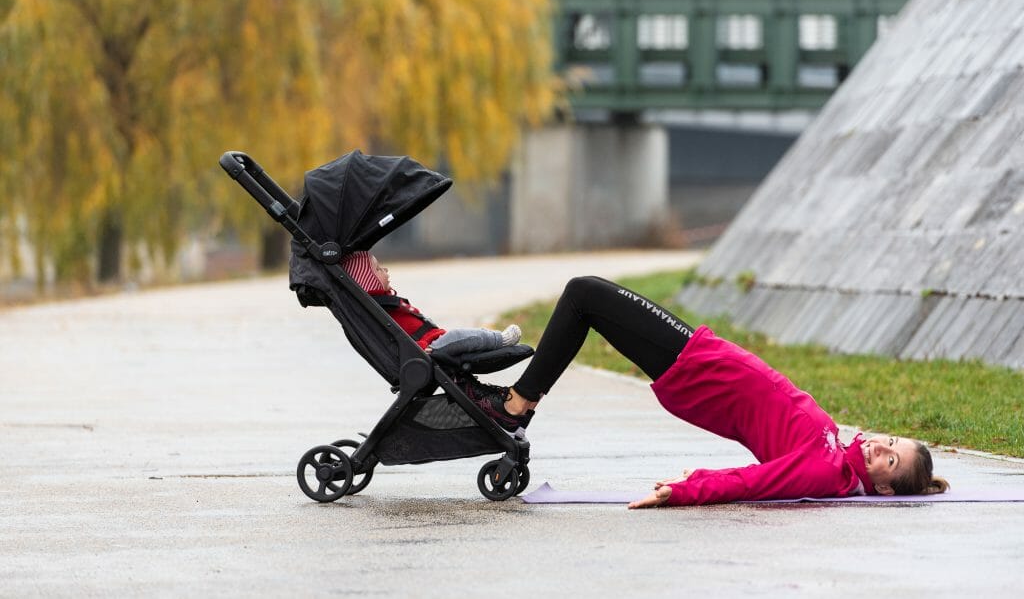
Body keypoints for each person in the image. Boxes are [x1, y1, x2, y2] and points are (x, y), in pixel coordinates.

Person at [459, 275, 951, 507]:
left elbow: (753, 483)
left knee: (584, 294)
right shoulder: (838, 453)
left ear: (883, 488)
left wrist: (683, 491)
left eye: (890, 460)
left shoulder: (825, 471)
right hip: (700, 355)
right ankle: (518, 404)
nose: (883, 446)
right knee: (585, 300)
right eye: (893, 441)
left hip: (694, 369)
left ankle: (516, 405)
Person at [340, 251, 521, 356]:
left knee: (458, 336)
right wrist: (418, 350)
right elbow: (391, 339)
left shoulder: (384, 303)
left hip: (429, 341)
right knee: (460, 335)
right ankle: (499, 340)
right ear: (367, 281)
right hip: (426, 350)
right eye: (378, 269)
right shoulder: (378, 309)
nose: (385, 270)